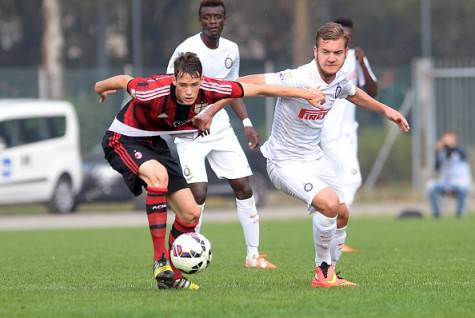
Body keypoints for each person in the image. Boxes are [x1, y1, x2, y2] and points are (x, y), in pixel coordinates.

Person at [203, 22, 410, 288]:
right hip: (283, 162)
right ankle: (322, 274)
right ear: (315, 51)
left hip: (314, 158)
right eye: (326, 52)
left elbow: (353, 93)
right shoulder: (297, 78)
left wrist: (387, 111)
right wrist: (210, 111)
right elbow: (242, 84)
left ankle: (331, 272)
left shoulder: (338, 82)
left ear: (345, 54)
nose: (331, 57)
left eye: (337, 52)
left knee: (342, 212)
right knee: (329, 204)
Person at [94, 52, 325, 290]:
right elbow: (124, 80)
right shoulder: (150, 89)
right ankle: (159, 260)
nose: (188, 92)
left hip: (155, 144)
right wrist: (100, 87)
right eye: (182, 84)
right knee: (158, 177)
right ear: (174, 80)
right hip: (123, 139)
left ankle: (171, 278)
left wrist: (306, 93)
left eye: (194, 85)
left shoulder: (211, 89)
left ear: (202, 81)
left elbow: (257, 90)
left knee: (191, 214)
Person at [166, 0, 276, 269]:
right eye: (207, 17)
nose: (213, 21)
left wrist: (247, 122)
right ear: (200, 20)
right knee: (198, 194)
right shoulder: (186, 48)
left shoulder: (232, 50)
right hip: (189, 130)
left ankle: (253, 255)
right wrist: (187, 117)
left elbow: (232, 89)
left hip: (221, 127)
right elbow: (170, 87)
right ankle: (187, 253)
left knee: (244, 186)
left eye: (217, 17)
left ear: (225, 19)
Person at [320, 17, 378, 263]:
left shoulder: (355, 57)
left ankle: (333, 227)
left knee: (343, 181)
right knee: (352, 178)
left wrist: (363, 63)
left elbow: (373, 91)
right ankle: (334, 230)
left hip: (348, 131)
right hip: (329, 131)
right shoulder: (328, 59)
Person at [428, 131, 472, 218]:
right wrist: (437, 152)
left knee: (463, 189)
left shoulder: (460, 152)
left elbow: (463, 154)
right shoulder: (442, 153)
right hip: (445, 183)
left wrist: (451, 146)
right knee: (431, 187)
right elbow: (436, 167)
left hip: (460, 183)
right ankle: (437, 215)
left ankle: (459, 214)